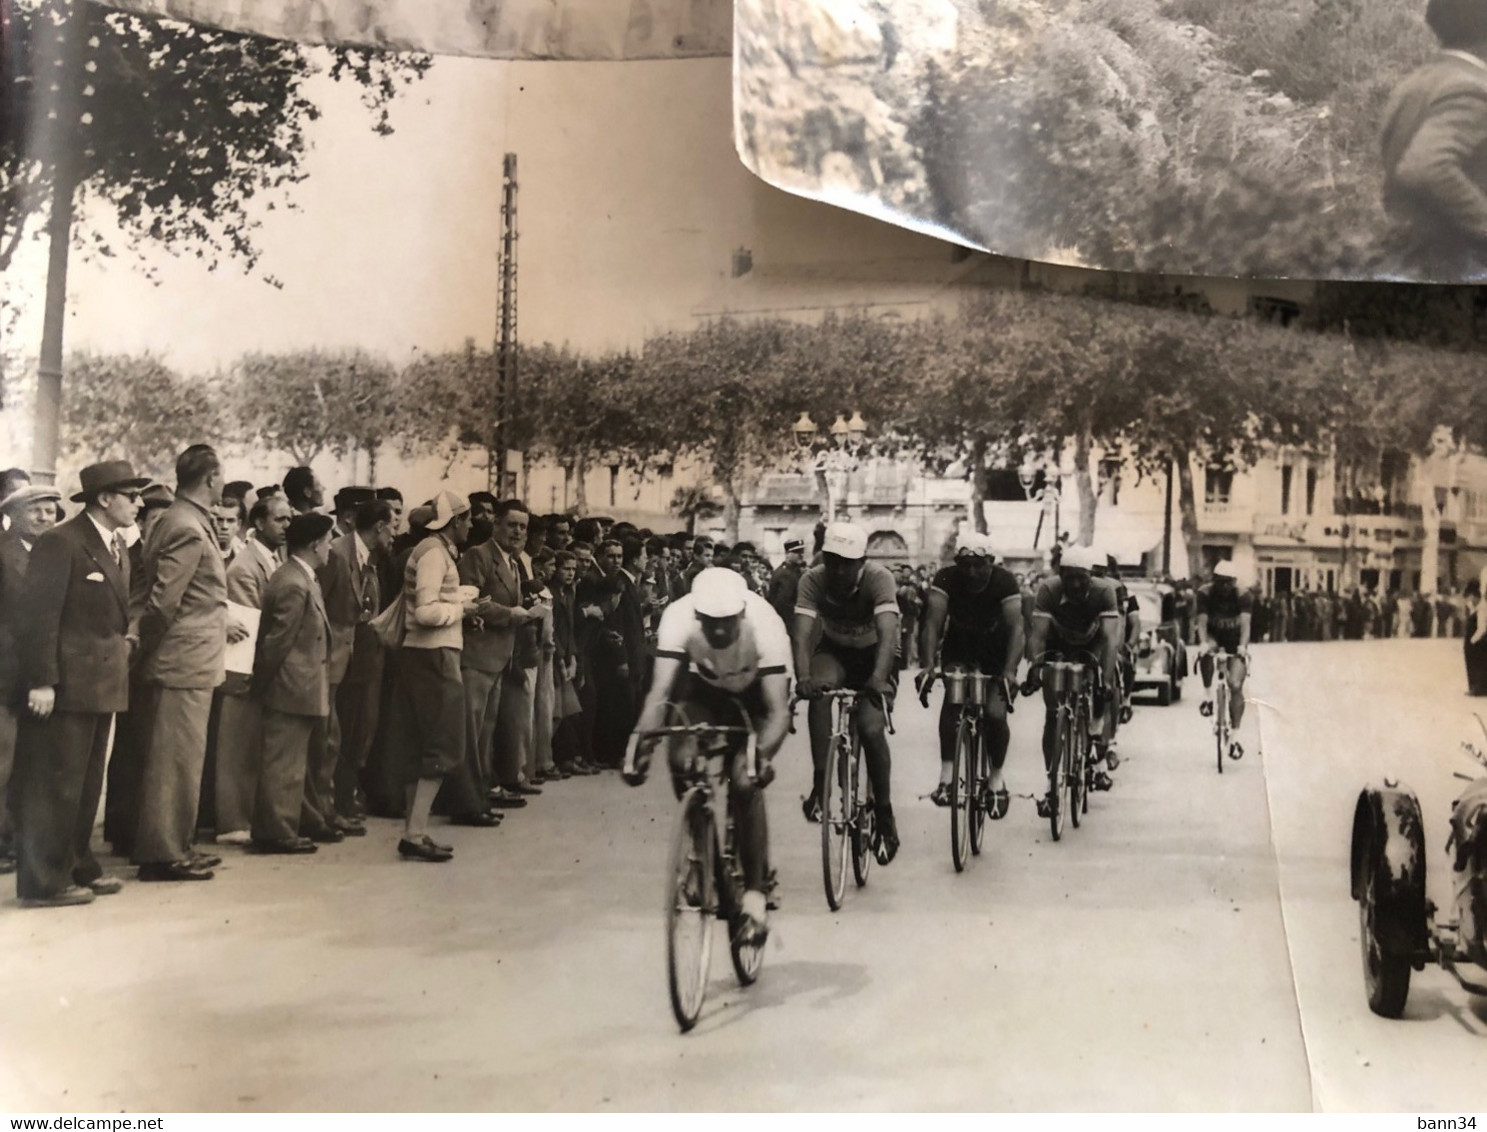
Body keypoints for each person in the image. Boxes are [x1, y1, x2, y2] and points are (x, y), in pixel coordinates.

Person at [623, 568, 792, 942]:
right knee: (681, 760)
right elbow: (660, 693)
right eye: (710, 623)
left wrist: (759, 754)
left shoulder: (767, 626)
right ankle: (705, 855)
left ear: (742, 614)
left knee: (745, 779)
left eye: (726, 623)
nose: (717, 631)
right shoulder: (678, 618)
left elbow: (779, 712)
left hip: (756, 696)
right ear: (696, 615)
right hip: (705, 689)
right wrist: (640, 744)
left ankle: (755, 896)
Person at [11, 461, 144, 906]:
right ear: (104, 499)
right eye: (131, 495)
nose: (138, 503)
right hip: (66, 685)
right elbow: (39, 618)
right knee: (55, 785)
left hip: (99, 682)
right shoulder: (61, 542)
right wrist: (43, 681)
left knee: (85, 784)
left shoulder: (115, 545)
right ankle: (43, 881)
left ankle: (76, 862)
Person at [132, 445, 249, 883]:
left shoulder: (183, 520)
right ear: (212, 478)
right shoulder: (186, 526)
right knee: (175, 760)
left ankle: (176, 845)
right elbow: (163, 603)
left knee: (183, 758)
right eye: (222, 476)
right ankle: (163, 853)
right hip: (182, 661)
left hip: (187, 659)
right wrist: (151, 650)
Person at [791, 521, 902, 864]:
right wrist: (804, 677)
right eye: (832, 560)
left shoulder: (879, 578)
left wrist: (878, 679)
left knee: (870, 728)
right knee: (820, 696)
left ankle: (884, 812)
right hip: (835, 652)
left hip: (874, 656)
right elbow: (802, 634)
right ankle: (821, 781)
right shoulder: (812, 579)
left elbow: (888, 634)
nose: (838, 570)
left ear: (862, 561)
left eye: (847, 562)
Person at [385, 491, 480, 862]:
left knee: (421, 744)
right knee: (442, 745)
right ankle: (415, 832)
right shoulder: (433, 553)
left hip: (423, 656)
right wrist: (462, 608)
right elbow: (425, 612)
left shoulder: (430, 550)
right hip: (434, 656)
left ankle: (415, 831)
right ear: (454, 521)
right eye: (467, 519)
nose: (470, 526)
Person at [917, 532, 1023, 817]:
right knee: (953, 700)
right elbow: (932, 623)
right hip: (959, 646)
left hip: (995, 650)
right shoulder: (946, 578)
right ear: (956, 564)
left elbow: (1016, 629)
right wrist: (927, 664)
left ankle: (996, 780)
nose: (972, 572)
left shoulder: (1004, 581)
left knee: (995, 715)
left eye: (979, 564)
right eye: (965, 564)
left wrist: (1010, 671)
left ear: (991, 562)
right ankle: (947, 776)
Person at [248, 513, 336, 855]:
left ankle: (291, 823)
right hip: (289, 687)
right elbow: (277, 642)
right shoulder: (293, 582)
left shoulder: (300, 576)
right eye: (328, 541)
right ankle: (276, 832)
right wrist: (265, 684)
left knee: (293, 761)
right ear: (315, 544)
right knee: (282, 763)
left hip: (300, 685)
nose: (330, 548)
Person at [1380, 0, 1487, 279]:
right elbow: (1425, 166)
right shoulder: (1472, 88)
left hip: (1407, 254)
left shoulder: (1415, 82)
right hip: (1460, 260)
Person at [214, 493, 292, 844]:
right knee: (237, 745)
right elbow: (251, 623)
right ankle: (232, 822)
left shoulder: (273, 560)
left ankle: (245, 816)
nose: (286, 526)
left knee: (251, 744)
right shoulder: (245, 567)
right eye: (279, 519)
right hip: (243, 666)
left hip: (258, 663)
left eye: (288, 519)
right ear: (258, 523)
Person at [1022, 545, 1120, 815]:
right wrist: (1035, 667)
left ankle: (1094, 729)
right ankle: (1051, 785)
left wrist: (1107, 680)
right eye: (1069, 577)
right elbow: (1038, 636)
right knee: (1053, 713)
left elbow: (1111, 641)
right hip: (1058, 642)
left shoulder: (1104, 591)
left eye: (1081, 577)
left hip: (1092, 644)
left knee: (1100, 683)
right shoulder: (1048, 590)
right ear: (1060, 574)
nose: (1075, 584)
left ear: (1091, 576)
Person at [0, 483, 61, 873]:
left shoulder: (52, 554)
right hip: (5, 675)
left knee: (28, 765)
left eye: (50, 511)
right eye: (34, 511)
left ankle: (14, 842)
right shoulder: (4, 554)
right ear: (13, 515)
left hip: (36, 676)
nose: (44, 518)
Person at [1196, 560, 1253, 759]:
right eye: (1221, 582)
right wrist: (1203, 642)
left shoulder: (1243, 595)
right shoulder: (1204, 593)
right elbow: (1201, 623)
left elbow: (1246, 625)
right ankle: (1207, 697)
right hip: (1214, 635)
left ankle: (1235, 737)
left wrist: (1243, 647)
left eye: (1229, 582)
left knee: (1235, 684)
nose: (1225, 587)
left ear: (1234, 582)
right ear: (1214, 581)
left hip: (1235, 639)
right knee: (1205, 651)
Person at [1465, 579, 1487, 694]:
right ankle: (1475, 687)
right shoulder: (1479, 607)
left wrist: (1473, 641)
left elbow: (1482, 627)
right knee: (1475, 664)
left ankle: (1478, 688)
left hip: (1478, 641)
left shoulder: (1482, 607)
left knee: (1477, 664)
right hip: (1477, 640)